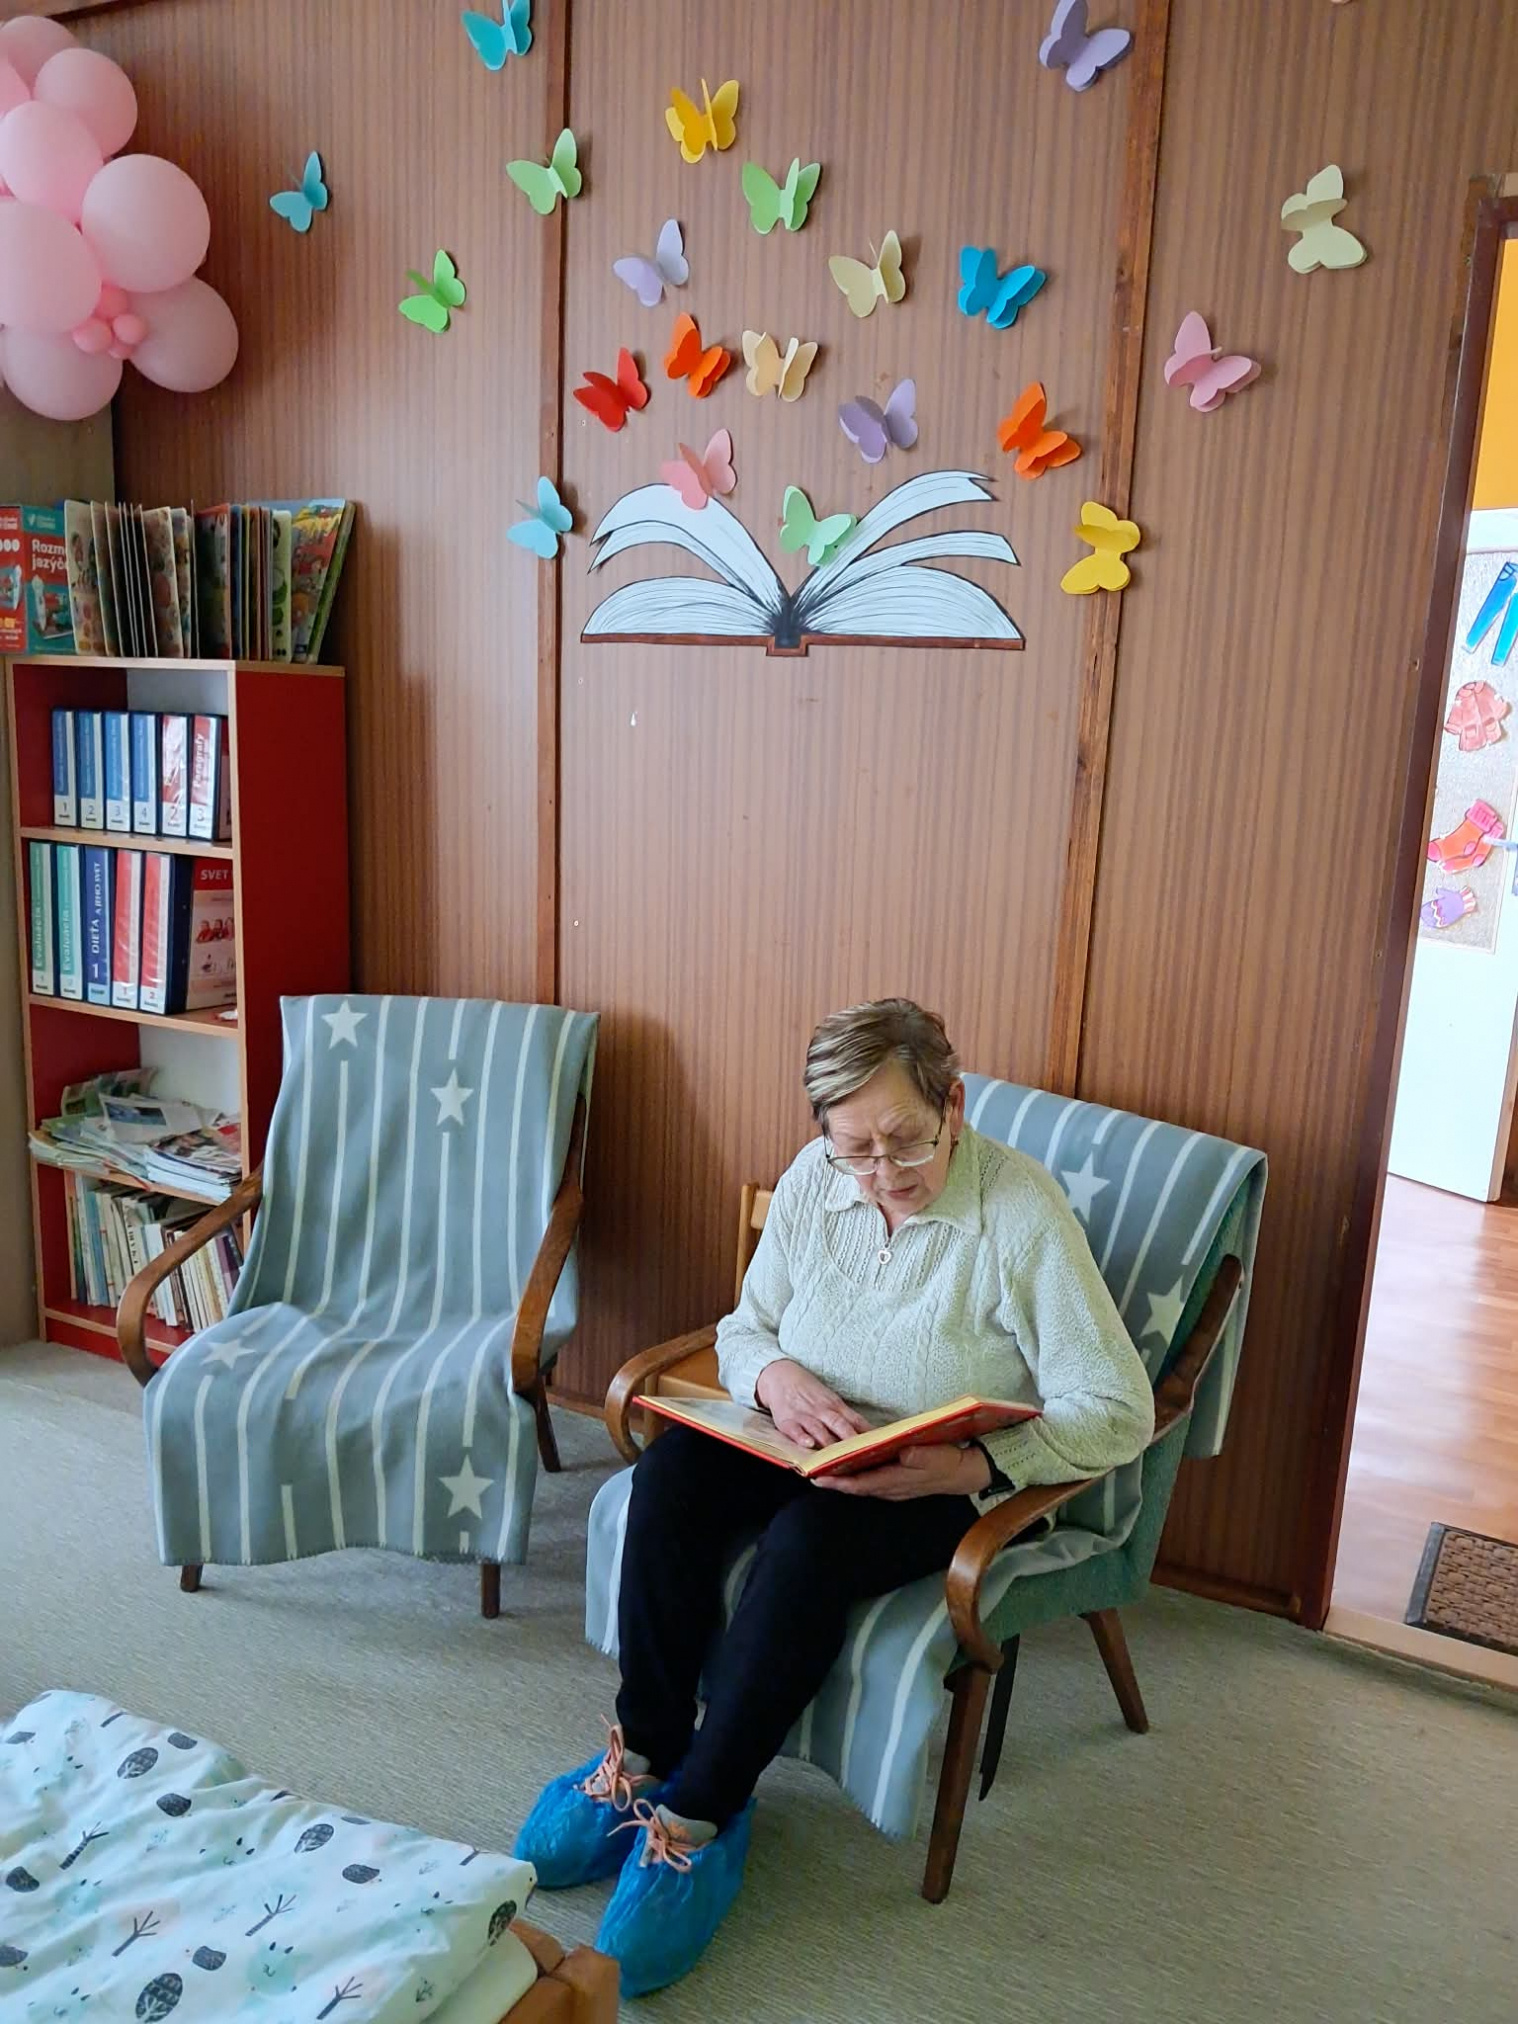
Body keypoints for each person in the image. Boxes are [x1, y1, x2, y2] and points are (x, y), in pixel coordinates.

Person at [516, 998, 1155, 1993]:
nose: (881, 1171)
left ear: (954, 1102)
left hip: (936, 1471)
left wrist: (972, 1467)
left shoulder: (1020, 1215)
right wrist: (777, 1379)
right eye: (854, 1146)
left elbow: (1117, 1408)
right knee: (669, 1474)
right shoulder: (818, 1178)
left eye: (906, 1139)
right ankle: (644, 1749)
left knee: (809, 1547)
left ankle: (701, 1810)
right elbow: (745, 1327)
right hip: (799, 1432)